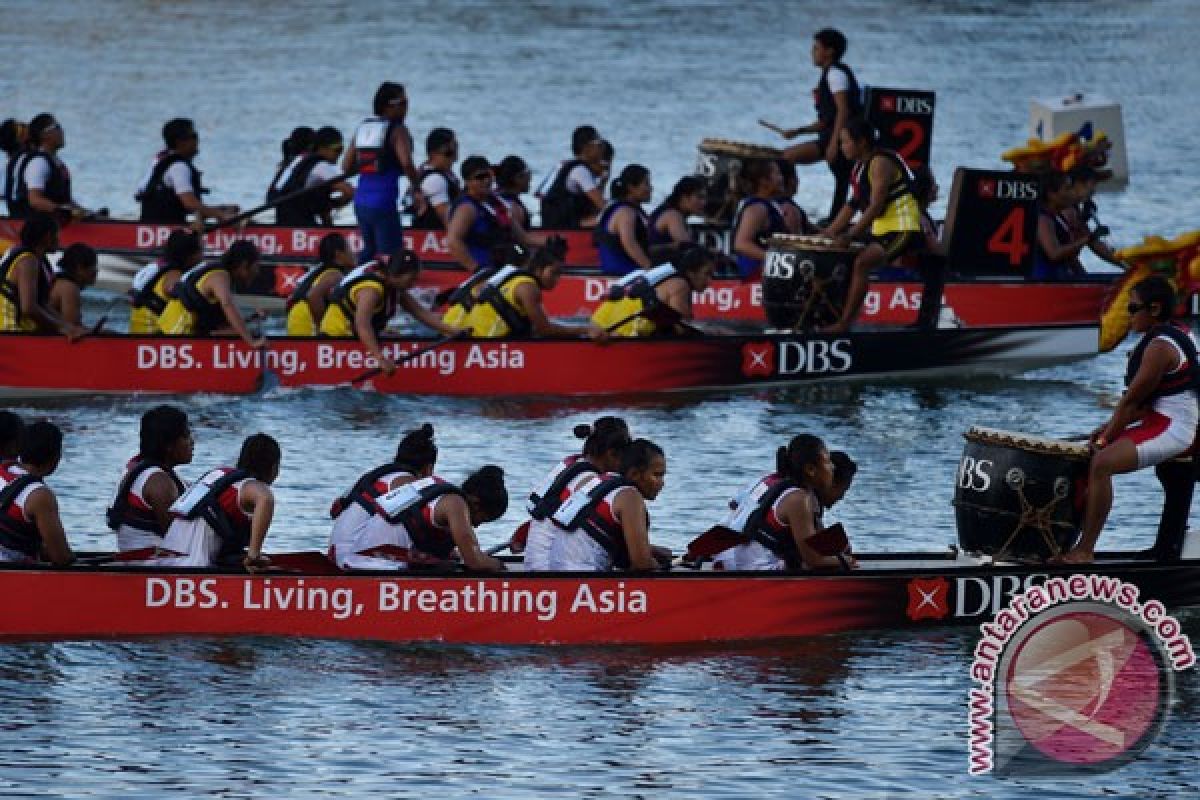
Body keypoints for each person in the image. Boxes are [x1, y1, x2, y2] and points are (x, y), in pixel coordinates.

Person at [1063, 277, 1199, 563]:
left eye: (1133, 307)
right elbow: (1138, 408)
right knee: (1104, 454)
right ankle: (1166, 550)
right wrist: (1108, 429)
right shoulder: (1176, 331)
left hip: (1176, 428)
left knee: (1101, 463)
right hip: (1163, 420)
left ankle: (1084, 551)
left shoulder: (1159, 348)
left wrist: (1104, 440)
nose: (1128, 313)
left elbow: (1130, 403)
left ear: (1155, 308)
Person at [329, 423, 506, 571]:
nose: (474, 525)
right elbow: (474, 561)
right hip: (362, 562)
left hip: (347, 555)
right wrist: (499, 565)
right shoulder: (435, 494)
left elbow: (408, 527)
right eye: (481, 519)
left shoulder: (383, 478)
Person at [819, 117, 923, 333]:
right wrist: (828, 233)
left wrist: (850, 234)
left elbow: (875, 207)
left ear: (863, 143)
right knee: (838, 254)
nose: (841, 147)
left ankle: (844, 324)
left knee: (862, 263)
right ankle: (837, 315)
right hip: (882, 231)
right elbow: (852, 205)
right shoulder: (859, 168)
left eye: (845, 141)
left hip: (903, 230)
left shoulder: (880, 163)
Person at [712, 434, 857, 571]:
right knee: (809, 564)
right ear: (810, 470)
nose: (832, 467)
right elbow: (813, 559)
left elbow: (734, 506)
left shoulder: (771, 481)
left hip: (726, 557)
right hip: (750, 568)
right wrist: (845, 561)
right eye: (827, 462)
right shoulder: (799, 499)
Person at [319, 247, 464, 374]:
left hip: (356, 337)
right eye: (411, 280)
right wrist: (380, 359)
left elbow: (421, 313)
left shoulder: (392, 282)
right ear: (395, 275)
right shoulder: (371, 290)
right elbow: (362, 324)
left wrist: (454, 331)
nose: (413, 285)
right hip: (335, 340)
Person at [521, 417, 632, 571]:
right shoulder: (590, 482)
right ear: (612, 453)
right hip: (548, 569)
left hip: (536, 564)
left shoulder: (571, 468)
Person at [159, 433, 279, 571]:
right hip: (190, 568)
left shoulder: (218, 475)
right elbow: (265, 498)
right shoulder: (251, 486)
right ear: (273, 467)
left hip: (165, 560)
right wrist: (254, 556)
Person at [544, 438, 667, 571]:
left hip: (557, 573)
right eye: (657, 475)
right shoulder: (630, 496)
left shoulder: (598, 482)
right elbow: (642, 564)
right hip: (581, 579)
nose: (661, 483)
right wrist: (658, 564)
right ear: (634, 474)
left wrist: (651, 551)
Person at [779, 28, 863, 222]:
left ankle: (789, 206)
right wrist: (799, 131)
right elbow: (828, 119)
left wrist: (835, 144)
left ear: (830, 51)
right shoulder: (831, 74)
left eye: (816, 48)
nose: (812, 52)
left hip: (841, 137)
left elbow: (844, 111)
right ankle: (833, 220)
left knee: (785, 159)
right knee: (841, 182)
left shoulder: (835, 74)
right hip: (834, 135)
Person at [342, 82, 423, 263]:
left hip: (361, 201)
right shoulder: (397, 130)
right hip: (384, 202)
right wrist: (417, 188)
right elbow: (407, 163)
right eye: (403, 103)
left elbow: (346, 167)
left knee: (369, 252)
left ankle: (355, 283)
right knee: (391, 257)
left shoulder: (364, 127)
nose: (406, 109)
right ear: (389, 106)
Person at [455, 243, 606, 340]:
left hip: (476, 336)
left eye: (560, 273)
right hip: (484, 345)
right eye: (554, 273)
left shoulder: (513, 278)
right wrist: (585, 329)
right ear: (538, 270)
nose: (557, 279)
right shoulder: (528, 288)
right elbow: (545, 330)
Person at [106, 405, 193, 551]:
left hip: (138, 560)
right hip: (154, 563)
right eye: (186, 436)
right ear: (168, 445)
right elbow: (180, 541)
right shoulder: (159, 482)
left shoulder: (137, 467)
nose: (192, 442)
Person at [157, 239, 266, 347]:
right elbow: (227, 305)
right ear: (244, 265)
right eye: (256, 266)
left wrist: (251, 318)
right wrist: (251, 342)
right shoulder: (220, 276)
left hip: (176, 334)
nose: (258, 272)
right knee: (244, 333)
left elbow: (220, 326)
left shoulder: (223, 278)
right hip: (173, 337)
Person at [446, 156, 546, 272]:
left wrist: (549, 242)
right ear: (468, 181)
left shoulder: (497, 203)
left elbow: (523, 237)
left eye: (488, 175)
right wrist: (475, 268)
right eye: (480, 177)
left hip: (501, 268)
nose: (486, 180)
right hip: (481, 271)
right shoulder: (467, 208)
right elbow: (453, 241)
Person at [591, 245, 716, 337]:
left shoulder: (660, 274)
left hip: (602, 320)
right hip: (625, 331)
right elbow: (681, 328)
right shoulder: (680, 285)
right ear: (690, 272)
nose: (710, 280)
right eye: (707, 274)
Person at [0, 212, 86, 338]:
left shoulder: (39, 260)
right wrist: (61, 327)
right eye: (57, 234)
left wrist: (69, 326)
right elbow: (28, 308)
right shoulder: (28, 261)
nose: (59, 239)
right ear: (47, 237)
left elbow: (41, 303)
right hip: (10, 331)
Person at [0, 420, 74, 566]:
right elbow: (61, 558)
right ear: (56, 458)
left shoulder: (3, 471)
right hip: (12, 576)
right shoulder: (39, 495)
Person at [138, 118, 238, 224]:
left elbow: (186, 207)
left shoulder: (160, 160)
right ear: (180, 142)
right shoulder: (178, 167)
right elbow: (190, 204)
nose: (197, 141)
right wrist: (221, 215)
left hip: (153, 225)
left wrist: (220, 209)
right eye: (194, 136)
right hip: (167, 231)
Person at [9, 114, 91, 220]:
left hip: (56, 222)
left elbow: (65, 201)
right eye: (57, 127)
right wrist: (63, 211)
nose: (62, 131)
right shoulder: (38, 163)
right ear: (44, 135)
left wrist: (87, 213)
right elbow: (35, 200)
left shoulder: (57, 163)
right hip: (35, 225)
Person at [270, 126, 353, 226]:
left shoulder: (294, 161)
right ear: (322, 148)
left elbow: (321, 199)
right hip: (301, 223)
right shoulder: (321, 166)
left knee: (321, 193)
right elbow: (349, 192)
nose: (340, 154)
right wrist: (335, 204)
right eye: (337, 150)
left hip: (282, 221)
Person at [129, 228, 203, 335]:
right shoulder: (174, 273)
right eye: (201, 250)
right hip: (150, 336)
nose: (203, 255)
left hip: (136, 332)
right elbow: (170, 287)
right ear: (191, 257)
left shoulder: (155, 267)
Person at [286, 232, 354, 336]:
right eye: (349, 249)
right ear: (338, 254)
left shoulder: (319, 270)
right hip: (306, 321)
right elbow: (313, 296)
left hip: (296, 318)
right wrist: (321, 327)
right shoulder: (335, 275)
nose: (353, 253)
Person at [731, 159, 787, 279]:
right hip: (755, 276)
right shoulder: (757, 208)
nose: (782, 178)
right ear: (763, 181)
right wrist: (780, 260)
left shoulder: (770, 205)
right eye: (777, 174)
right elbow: (741, 244)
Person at [594, 164, 654, 276]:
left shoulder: (630, 209)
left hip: (625, 269)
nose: (650, 188)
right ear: (631, 187)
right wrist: (650, 268)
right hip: (622, 271)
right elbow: (629, 243)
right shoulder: (626, 212)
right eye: (646, 183)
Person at [540, 135, 610, 228]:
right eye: (599, 145)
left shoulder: (566, 166)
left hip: (558, 221)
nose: (602, 149)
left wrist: (603, 182)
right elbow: (602, 205)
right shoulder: (580, 171)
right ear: (587, 147)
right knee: (614, 217)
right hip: (564, 225)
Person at [1031, 171, 1090, 281]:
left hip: (1060, 275)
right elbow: (1054, 254)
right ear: (1051, 194)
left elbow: (1070, 256)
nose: (1072, 193)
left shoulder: (1058, 216)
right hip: (1043, 280)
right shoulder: (1042, 218)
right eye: (1067, 189)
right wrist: (1087, 239)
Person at [1064, 166, 1124, 269]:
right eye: (1092, 184)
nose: (1094, 190)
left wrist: (1126, 264)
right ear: (1078, 184)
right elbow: (1087, 242)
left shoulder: (1074, 209)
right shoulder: (1067, 210)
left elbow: (1094, 244)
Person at [407, 127, 460, 229]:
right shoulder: (435, 180)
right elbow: (449, 222)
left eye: (455, 149)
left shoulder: (423, 171)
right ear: (433, 153)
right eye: (449, 152)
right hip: (432, 237)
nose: (453, 157)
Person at [47, 243, 98, 327]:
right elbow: (73, 329)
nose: (96, 271)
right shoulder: (69, 288)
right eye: (93, 266)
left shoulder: (60, 282)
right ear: (79, 268)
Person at [648, 176, 706, 248]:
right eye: (699, 197)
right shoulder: (673, 215)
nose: (704, 202)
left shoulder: (670, 212)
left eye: (704, 198)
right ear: (684, 197)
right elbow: (687, 247)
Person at [776, 159, 815, 235]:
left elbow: (811, 227)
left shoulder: (766, 204)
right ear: (792, 181)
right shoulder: (789, 209)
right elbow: (795, 240)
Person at [495, 155, 534, 230]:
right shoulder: (515, 209)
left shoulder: (495, 196)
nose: (530, 177)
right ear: (517, 178)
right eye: (528, 173)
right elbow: (520, 238)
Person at [1, 118, 29, 214]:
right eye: (21, 126)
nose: (26, 125)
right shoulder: (22, 160)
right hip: (24, 218)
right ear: (20, 139)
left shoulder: (14, 162)